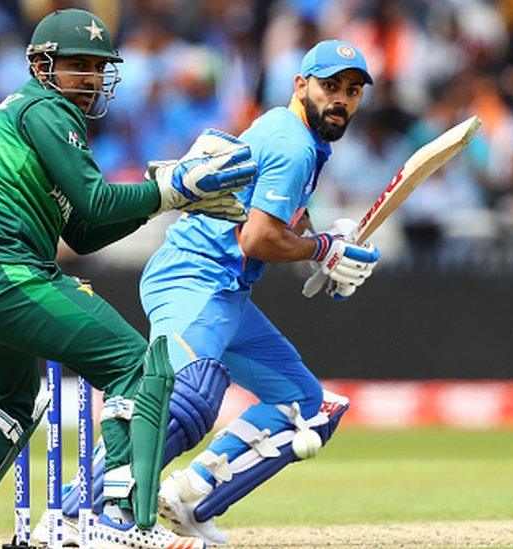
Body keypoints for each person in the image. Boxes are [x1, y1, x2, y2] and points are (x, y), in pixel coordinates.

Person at [0, 8, 256, 549]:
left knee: (12, 394)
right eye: (76, 65)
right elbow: (97, 200)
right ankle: (116, 521)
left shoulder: (27, 115)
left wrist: (163, 195)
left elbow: (85, 228)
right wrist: (173, 187)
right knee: (138, 367)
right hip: (2, 272)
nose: (90, 79)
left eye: (97, 68)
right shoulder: (48, 109)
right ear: (39, 65)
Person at [49, 40, 382, 546]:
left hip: (224, 290)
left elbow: (278, 214)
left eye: (352, 91)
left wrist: (327, 251)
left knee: (306, 405)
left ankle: (190, 497)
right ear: (301, 86)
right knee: (185, 399)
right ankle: (76, 513)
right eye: (330, 86)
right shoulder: (294, 143)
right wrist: (321, 249)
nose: (341, 99)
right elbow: (258, 237)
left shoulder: (297, 135)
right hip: (195, 277)